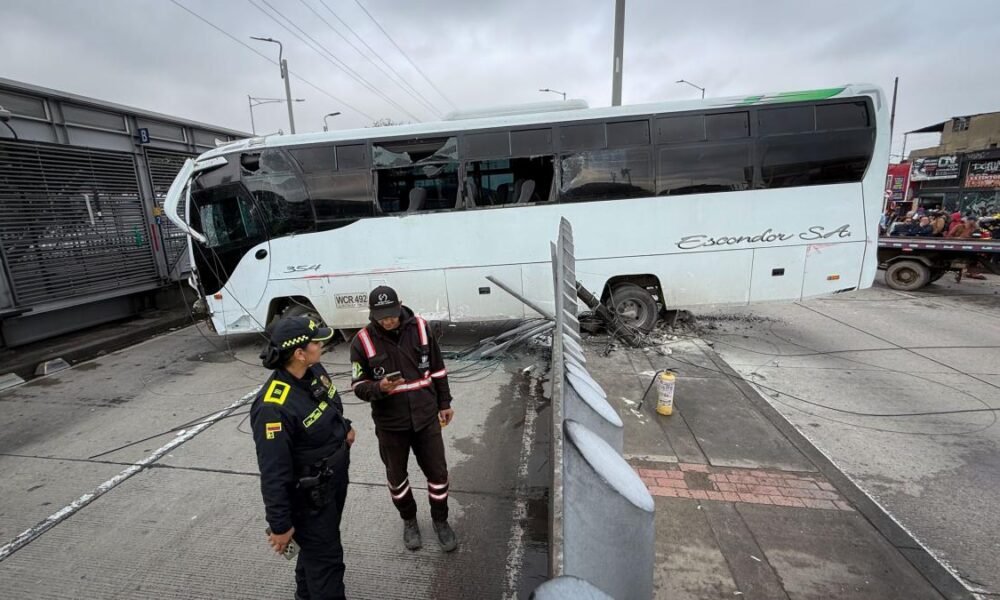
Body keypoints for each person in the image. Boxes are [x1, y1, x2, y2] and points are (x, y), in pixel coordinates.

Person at [251, 316, 355, 600]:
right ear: (299, 353)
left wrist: (344, 427)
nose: (322, 344)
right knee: (327, 561)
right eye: (317, 341)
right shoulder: (273, 407)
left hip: (334, 480)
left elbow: (330, 403)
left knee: (312, 552)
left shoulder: (314, 369)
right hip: (310, 497)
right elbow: (274, 473)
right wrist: (280, 526)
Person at [350, 285, 458, 552]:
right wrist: (378, 388)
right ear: (372, 314)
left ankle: (440, 521)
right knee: (397, 479)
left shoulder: (421, 328)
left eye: (392, 314)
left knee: (438, 474)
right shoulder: (361, 342)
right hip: (390, 426)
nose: (388, 320)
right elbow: (357, 385)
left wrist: (444, 403)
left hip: (426, 420)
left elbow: (438, 370)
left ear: (401, 305)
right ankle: (409, 521)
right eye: (382, 316)